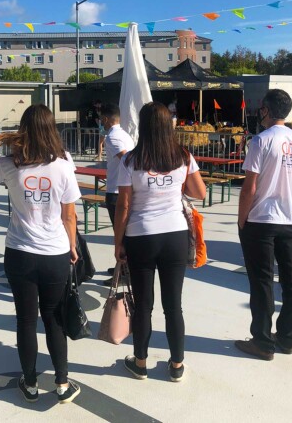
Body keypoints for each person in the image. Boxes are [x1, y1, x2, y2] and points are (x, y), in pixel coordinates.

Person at [0, 104, 82, 404]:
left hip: (20, 252)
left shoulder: (9, 164)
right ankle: (62, 383)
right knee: (53, 318)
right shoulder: (64, 164)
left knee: (25, 320)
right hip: (55, 252)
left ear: (23, 130)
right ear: (51, 129)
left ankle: (31, 383)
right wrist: (72, 246)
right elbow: (69, 215)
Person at [114, 102, 206, 382]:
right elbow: (200, 192)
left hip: (141, 235)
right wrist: (174, 184)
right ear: (169, 126)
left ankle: (140, 362)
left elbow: (123, 206)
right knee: (173, 304)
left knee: (143, 304)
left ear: (143, 127)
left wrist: (118, 243)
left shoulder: (130, 160)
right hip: (175, 234)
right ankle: (177, 364)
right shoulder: (183, 156)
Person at [235, 89, 292, 361]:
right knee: (291, 280)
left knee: (262, 281)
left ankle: (262, 341)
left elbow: (250, 187)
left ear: (267, 110)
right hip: (288, 220)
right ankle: (287, 337)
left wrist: (242, 218)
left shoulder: (261, 141)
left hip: (261, 219)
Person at [101, 102, 134, 283]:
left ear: (106, 119)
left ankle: (124, 272)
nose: (101, 123)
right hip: (123, 188)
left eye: (102, 120)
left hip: (116, 190)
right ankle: (121, 268)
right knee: (123, 233)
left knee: (120, 235)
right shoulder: (125, 135)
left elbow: (127, 160)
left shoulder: (112, 138)